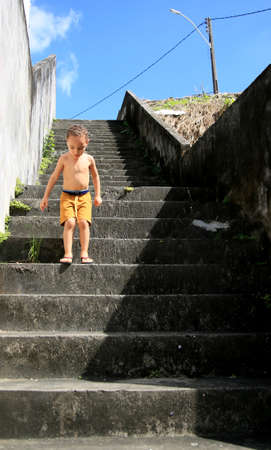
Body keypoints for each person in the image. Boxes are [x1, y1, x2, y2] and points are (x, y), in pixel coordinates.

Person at [40, 124, 102, 264]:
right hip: (67, 196)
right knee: (69, 222)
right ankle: (68, 253)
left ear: (87, 143)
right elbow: (54, 177)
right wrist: (45, 197)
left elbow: (96, 177)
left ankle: (84, 253)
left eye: (81, 148)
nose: (76, 151)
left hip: (84, 196)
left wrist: (98, 195)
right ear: (67, 143)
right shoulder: (64, 158)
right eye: (72, 147)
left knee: (83, 223)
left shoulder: (89, 159)